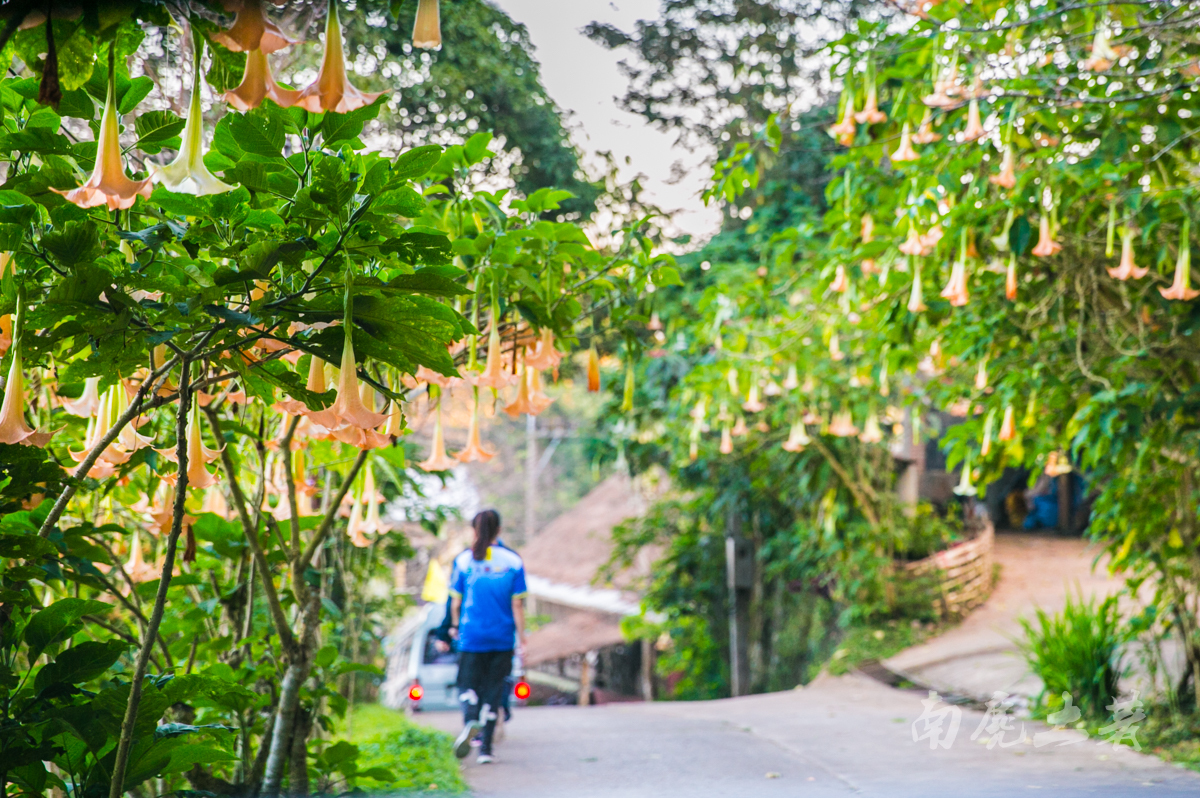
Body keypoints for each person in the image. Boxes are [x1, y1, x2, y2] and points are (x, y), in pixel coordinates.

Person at [448, 510, 527, 764]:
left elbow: (456, 603)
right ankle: (486, 751)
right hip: (502, 639)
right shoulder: (513, 561)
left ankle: (471, 714)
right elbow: (517, 606)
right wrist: (522, 638)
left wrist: (453, 626)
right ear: (499, 530)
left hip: (471, 636)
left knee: (466, 684)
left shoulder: (463, 561)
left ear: (474, 530)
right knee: (494, 692)